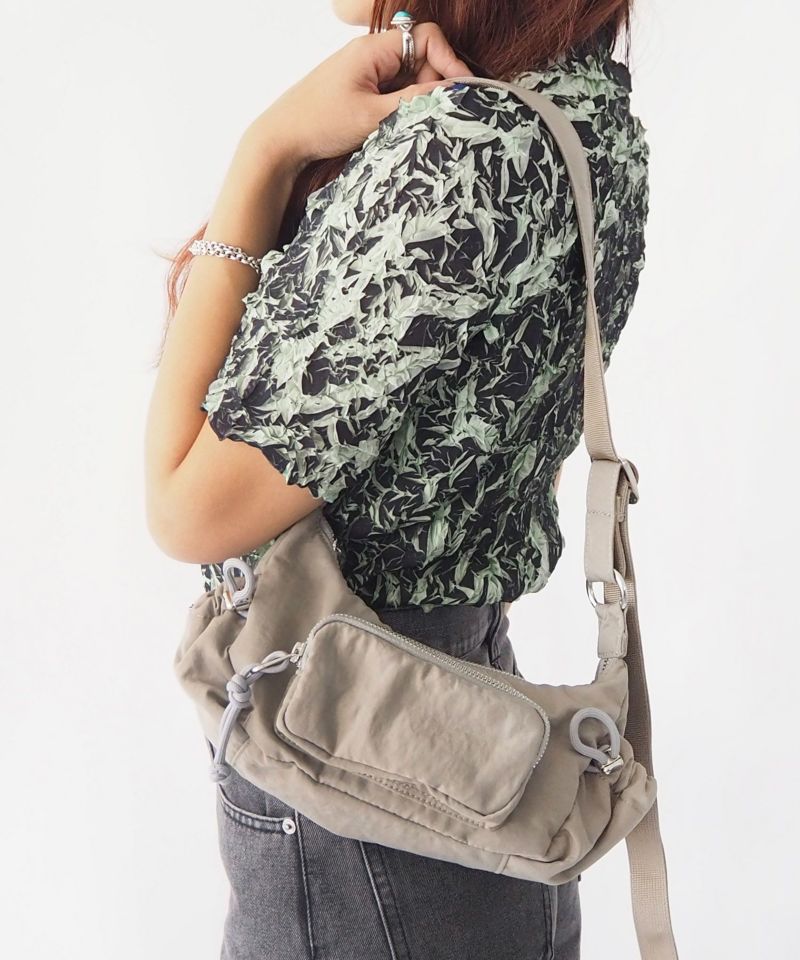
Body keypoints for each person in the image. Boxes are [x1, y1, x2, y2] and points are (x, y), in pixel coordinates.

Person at [145, 2, 649, 957]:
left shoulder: (463, 150)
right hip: (473, 746)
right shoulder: (586, 111)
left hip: (354, 771)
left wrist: (266, 153)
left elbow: (186, 508)